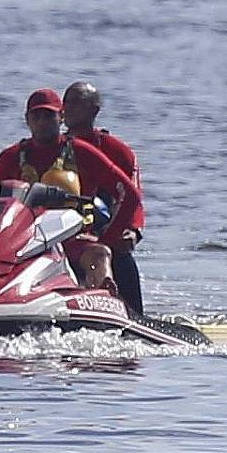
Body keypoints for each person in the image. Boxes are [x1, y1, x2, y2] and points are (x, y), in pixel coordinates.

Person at [0, 87, 142, 309]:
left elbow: (129, 194)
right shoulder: (10, 157)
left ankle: (104, 301)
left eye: (49, 116)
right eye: (36, 116)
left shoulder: (82, 151)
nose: (42, 122)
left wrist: (110, 238)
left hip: (74, 239)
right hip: (21, 243)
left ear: (61, 117)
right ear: (27, 120)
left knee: (99, 254)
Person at [62, 79, 145, 315]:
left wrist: (134, 230)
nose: (68, 108)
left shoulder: (117, 150)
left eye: (76, 103)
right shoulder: (54, 148)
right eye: (65, 103)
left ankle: (134, 315)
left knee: (121, 251)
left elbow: (134, 196)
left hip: (105, 226)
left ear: (94, 110)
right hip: (62, 227)